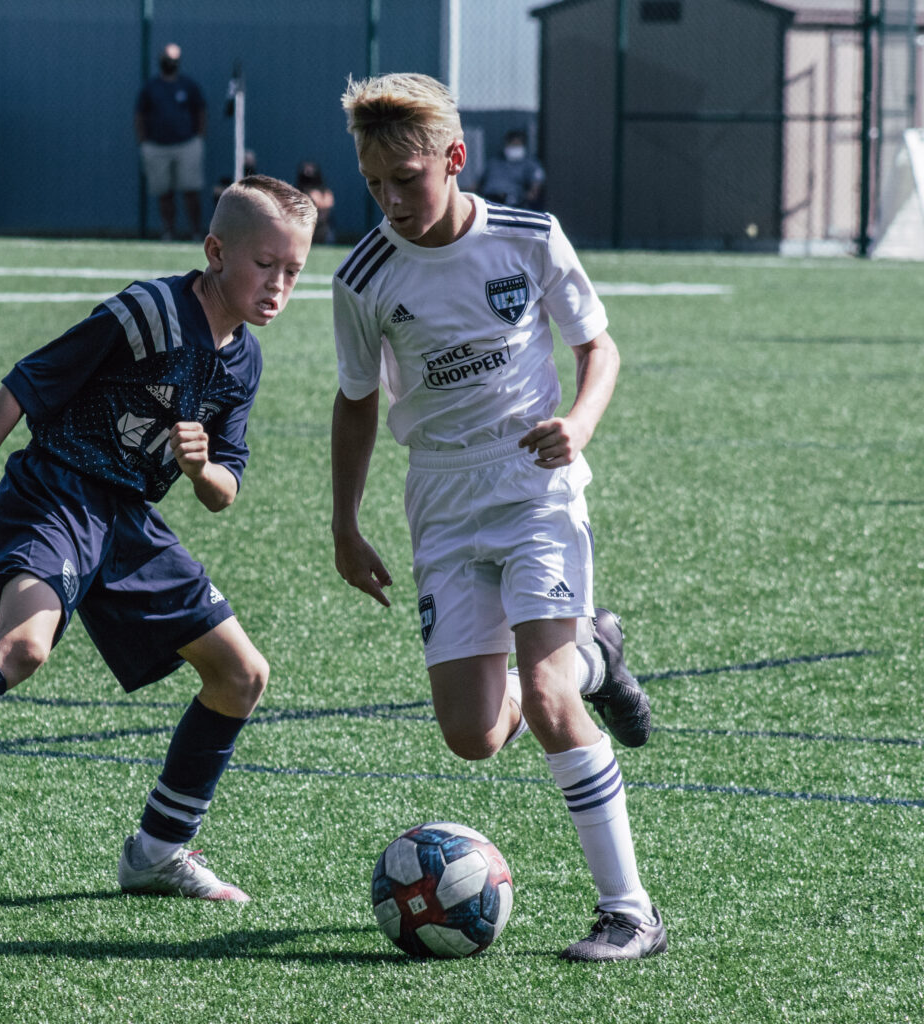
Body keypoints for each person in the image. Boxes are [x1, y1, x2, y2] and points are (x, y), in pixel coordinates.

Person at [0, 176, 317, 903]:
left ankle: (157, 853)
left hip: (130, 524)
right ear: (215, 251)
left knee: (242, 675)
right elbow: (28, 381)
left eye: (293, 271)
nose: (279, 284)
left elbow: (224, 491)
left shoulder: (245, 361)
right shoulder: (150, 312)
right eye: (265, 264)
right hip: (57, 494)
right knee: (24, 644)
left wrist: (201, 468)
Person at [331, 73, 664, 961]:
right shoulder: (364, 277)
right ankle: (598, 653)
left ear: (455, 158)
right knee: (473, 735)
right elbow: (356, 401)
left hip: (531, 490)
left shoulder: (527, 236)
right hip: (439, 502)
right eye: (374, 184)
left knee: (552, 704)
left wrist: (579, 424)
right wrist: (344, 522)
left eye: (407, 178)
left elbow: (598, 345)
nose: (392, 201)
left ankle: (630, 912)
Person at [135, 42, 206, 240]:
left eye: (174, 60)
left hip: (187, 144)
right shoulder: (151, 87)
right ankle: (168, 231)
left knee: (190, 190)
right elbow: (140, 114)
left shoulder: (188, 86)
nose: (170, 63)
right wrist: (143, 140)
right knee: (164, 192)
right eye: (167, 59)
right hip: (157, 146)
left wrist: (200, 136)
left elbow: (201, 110)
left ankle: (196, 232)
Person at [477, 129, 545, 211]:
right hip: (488, 201)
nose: (514, 147)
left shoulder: (529, 163)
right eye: (512, 144)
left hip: (513, 204)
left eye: (517, 144)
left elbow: (535, 186)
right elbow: (477, 183)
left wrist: (527, 196)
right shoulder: (493, 162)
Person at [295, 160, 335, 243]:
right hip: (302, 228)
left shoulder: (325, 193)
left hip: (321, 228)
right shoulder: (297, 193)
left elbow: (326, 209)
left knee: (326, 233)